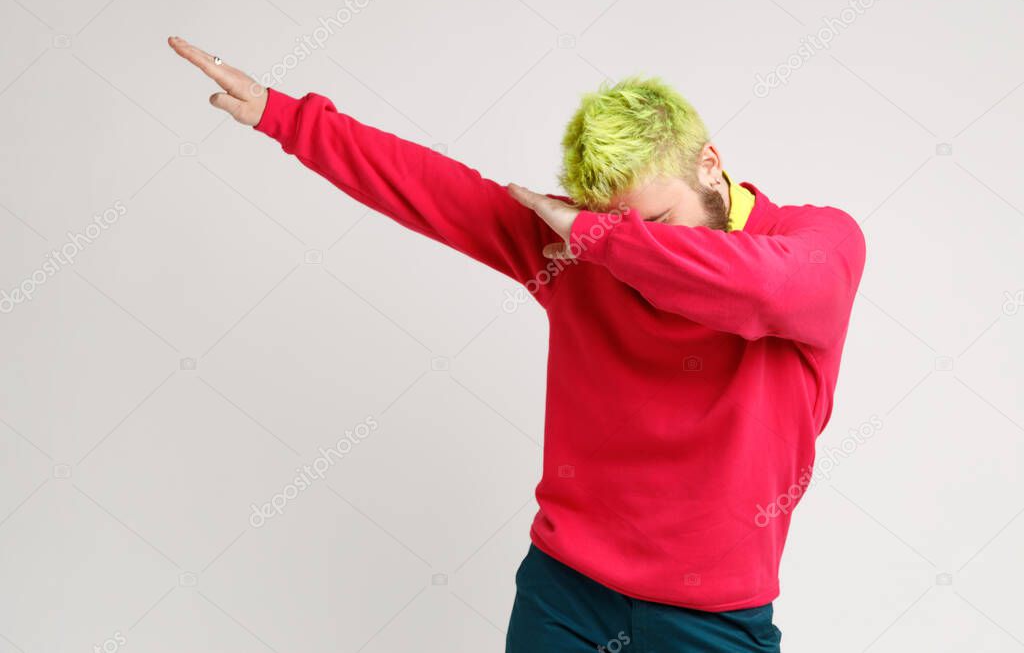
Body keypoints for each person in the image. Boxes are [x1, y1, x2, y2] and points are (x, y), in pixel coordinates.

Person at [169, 35, 866, 652]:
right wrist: (283, 116)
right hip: (564, 597)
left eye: (660, 219)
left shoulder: (816, 245)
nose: (644, 248)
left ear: (710, 164)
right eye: (619, 225)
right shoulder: (574, 250)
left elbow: (766, 292)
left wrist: (605, 239)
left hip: (713, 621)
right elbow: (432, 190)